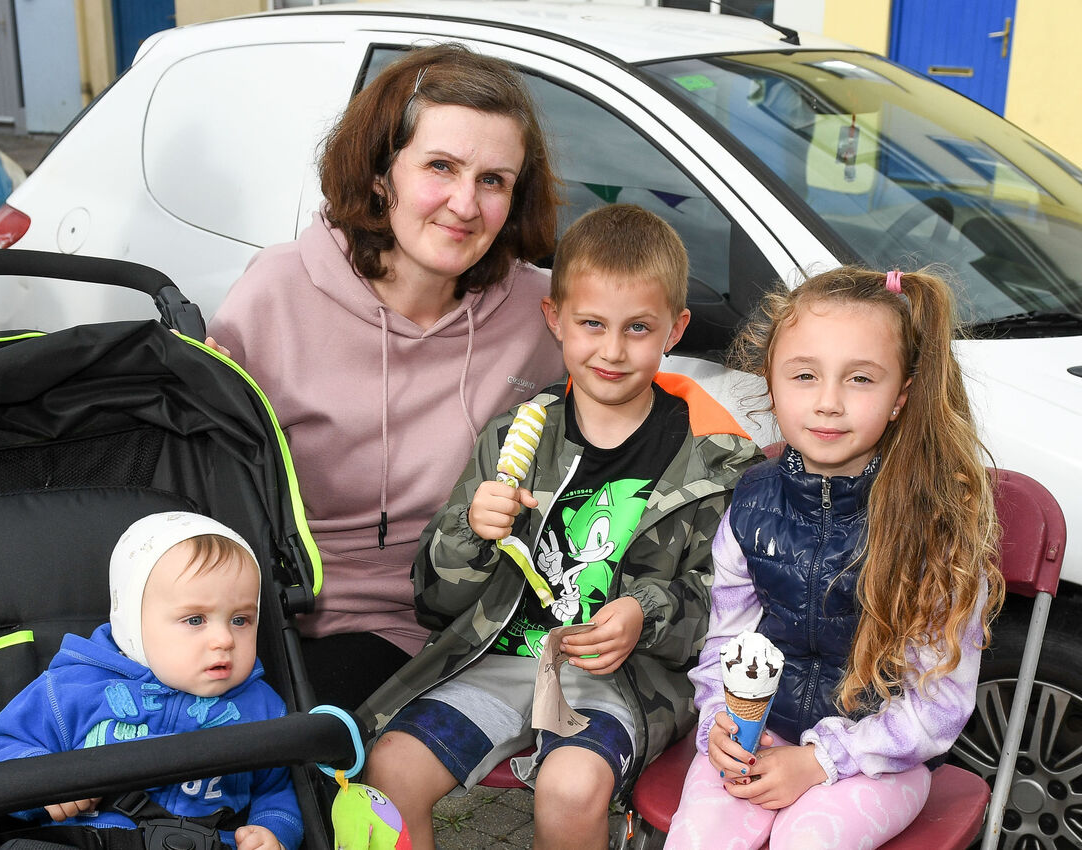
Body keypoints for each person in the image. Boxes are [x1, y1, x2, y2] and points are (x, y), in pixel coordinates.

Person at [360, 204, 762, 850]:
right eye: (591, 325)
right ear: (555, 320)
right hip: (501, 659)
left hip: (622, 680)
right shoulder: (514, 435)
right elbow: (434, 599)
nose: (611, 349)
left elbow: (726, 605)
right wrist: (471, 530)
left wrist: (645, 612)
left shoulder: (711, 460)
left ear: (675, 329)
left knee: (569, 788)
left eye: (637, 329)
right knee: (390, 768)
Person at [206, 43, 564, 710]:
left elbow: (637, 396)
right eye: (441, 167)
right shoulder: (277, 291)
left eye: (493, 180)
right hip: (255, 609)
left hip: (409, 623)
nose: (464, 203)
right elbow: (203, 469)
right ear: (380, 175)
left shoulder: (538, 314)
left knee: (286, 758)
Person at [664, 267, 1006, 849]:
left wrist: (822, 759)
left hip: (880, 759)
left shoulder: (935, 528)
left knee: (808, 842)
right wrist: (722, 721)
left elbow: (939, 705)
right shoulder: (749, 505)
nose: (827, 403)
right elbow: (727, 642)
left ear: (901, 397)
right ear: (770, 384)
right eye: (804, 375)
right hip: (760, 740)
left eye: (860, 380)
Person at [0, 512, 303, 850]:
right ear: (132, 621)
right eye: (195, 620)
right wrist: (43, 784)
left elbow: (277, 791)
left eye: (240, 619)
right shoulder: (72, 688)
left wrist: (275, 831)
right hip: (89, 838)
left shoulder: (262, 708)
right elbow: (1, 750)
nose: (224, 639)